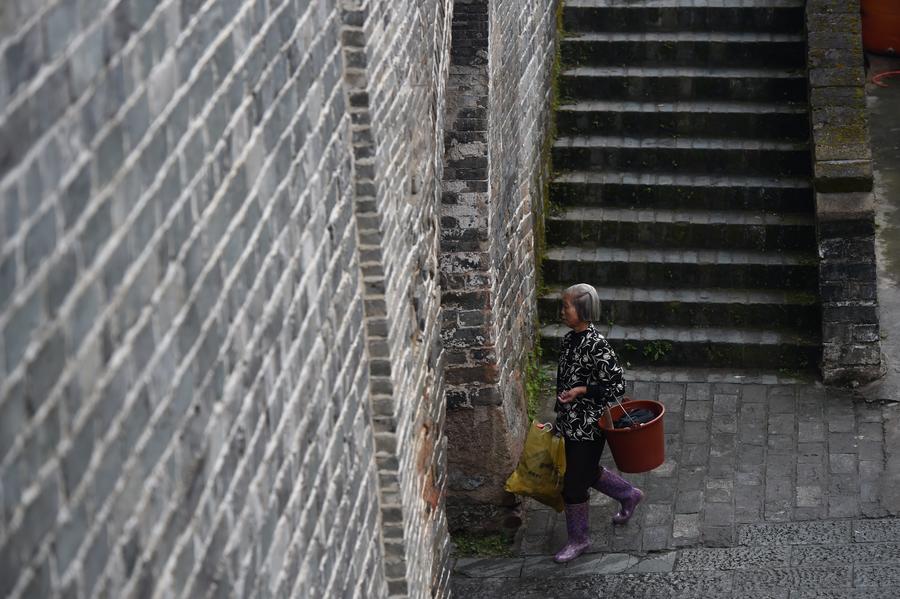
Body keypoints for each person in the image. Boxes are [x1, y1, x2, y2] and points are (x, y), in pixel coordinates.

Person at [553, 283, 643, 563]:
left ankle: (579, 539)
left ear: (582, 310)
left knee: (573, 485)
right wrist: (560, 416)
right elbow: (565, 380)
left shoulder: (598, 345)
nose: (563, 310)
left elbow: (616, 388)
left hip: (591, 425)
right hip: (571, 421)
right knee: (586, 472)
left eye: (567, 306)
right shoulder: (569, 341)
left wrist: (583, 391)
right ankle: (629, 494)